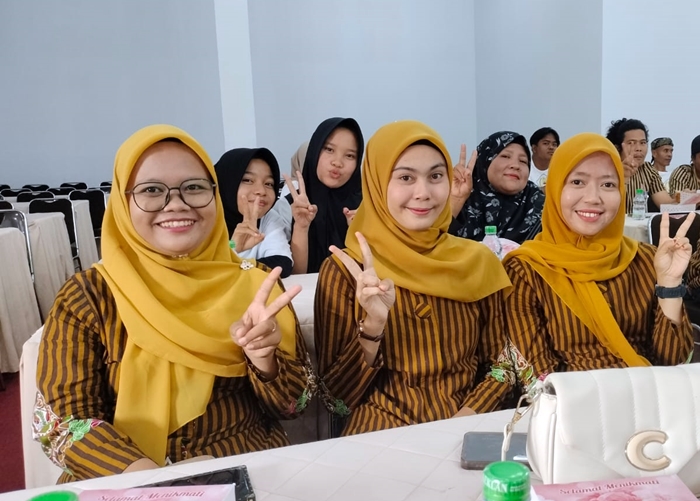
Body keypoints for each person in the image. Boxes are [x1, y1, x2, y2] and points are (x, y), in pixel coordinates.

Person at [33, 125, 315, 482]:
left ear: (215, 195)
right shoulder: (89, 297)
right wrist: (159, 484)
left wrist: (264, 361)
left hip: (245, 470)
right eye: (152, 190)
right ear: (122, 201)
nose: (177, 204)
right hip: (124, 480)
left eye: (194, 187)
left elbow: (296, 405)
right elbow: (65, 423)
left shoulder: (258, 284)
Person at [314, 120, 513, 436]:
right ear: (377, 183)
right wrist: (373, 327)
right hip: (380, 432)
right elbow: (336, 401)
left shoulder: (477, 262)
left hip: (469, 424)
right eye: (405, 177)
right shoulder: (346, 270)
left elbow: (503, 364)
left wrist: (468, 417)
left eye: (435, 176)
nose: (423, 193)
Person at [502, 132, 694, 394]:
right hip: (574, 409)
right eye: (577, 182)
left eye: (608, 184)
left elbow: (674, 361)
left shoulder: (646, 260)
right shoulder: (527, 270)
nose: (593, 197)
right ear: (556, 188)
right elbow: (538, 379)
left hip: (651, 401)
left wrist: (669, 285)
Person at [284, 117, 364, 274]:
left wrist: (358, 234)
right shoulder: (289, 206)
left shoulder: (366, 208)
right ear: (314, 151)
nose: (337, 162)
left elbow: (372, 274)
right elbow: (295, 275)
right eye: (329, 149)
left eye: (349, 156)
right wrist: (301, 227)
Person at [450, 131, 545, 244]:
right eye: (505, 156)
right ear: (484, 161)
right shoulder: (458, 196)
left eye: (523, 161)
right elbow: (434, 243)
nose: (516, 165)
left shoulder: (541, 205)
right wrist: (455, 201)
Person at [214, 147, 293, 277]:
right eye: (248, 180)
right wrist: (232, 247)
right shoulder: (201, 220)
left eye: (269, 183)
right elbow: (200, 272)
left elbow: (282, 264)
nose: (261, 191)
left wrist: (235, 266)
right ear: (226, 182)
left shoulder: (268, 217)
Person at [605, 118, 675, 212]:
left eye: (643, 143)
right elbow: (606, 207)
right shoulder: (607, 169)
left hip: (638, 221)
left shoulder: (648, 170)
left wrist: (684, 199)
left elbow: (666, 206)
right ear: (617, 147)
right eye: (631, 143)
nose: (639, 148)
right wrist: (623, 177)